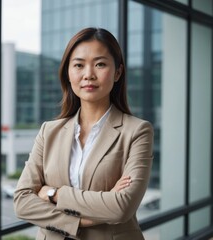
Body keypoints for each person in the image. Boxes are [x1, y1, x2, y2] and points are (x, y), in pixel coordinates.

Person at [13, 27, 154, 240]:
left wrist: (53, 194)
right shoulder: (49, 131)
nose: (88, 74)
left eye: (100, 64)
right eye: (79, 65)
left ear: (117, 72)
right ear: (68, 73)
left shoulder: (137, 131)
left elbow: (122, 207)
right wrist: (80, 222)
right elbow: (22, 201)